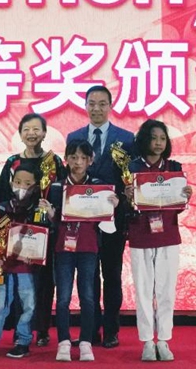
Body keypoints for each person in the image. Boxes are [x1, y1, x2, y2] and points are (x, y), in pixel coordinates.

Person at [66, 85, 135, 348]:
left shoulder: (126, 138)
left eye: (102, 103)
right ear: (85, 105)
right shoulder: (74, 136)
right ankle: (89, 330)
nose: (96, 108)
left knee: (112, 275)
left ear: (110, 105)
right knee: (87, 276)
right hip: (83, 220)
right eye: (91, 103)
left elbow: (131, 177)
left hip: (113, 218)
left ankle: (112, 330)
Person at [124, 120, 193, 362]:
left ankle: (163, 340)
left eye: (162, 139)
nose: (158, 143)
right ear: (144, 140)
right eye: (154, 138)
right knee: (143, 290)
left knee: (165, 289)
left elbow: (178, 207)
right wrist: (127, 197)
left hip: (168, 235)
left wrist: (184, 196)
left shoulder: (174, 167)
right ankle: (146, 341)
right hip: (140, 234)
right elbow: (124, 208)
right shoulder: (130, 168)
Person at [0, 113, 63, 347]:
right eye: (27, 129)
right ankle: (19, 329)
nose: (32, 133)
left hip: (44, 232)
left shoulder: (54, 162)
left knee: (43, 283)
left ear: (45, 133)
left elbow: (62, 192)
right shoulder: (12, 162)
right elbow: (1, 194)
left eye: (37, 129)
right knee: (17, 281)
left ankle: (42, 329)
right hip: (15, 232)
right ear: (20, 133)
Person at [47, 139, 118, 362]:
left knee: (88, 296)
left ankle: (86, 341)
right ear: (66, 159)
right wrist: (49, 213)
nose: (78, 162)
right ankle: (64, 342)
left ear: (90, 161)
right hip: (63, 249)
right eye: (73, 157)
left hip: (88, 247)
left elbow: (107, 222)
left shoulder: (99, 187)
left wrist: (113, 205)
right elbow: (52, 220)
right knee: (63, 298)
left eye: (83, 158)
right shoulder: (56, 187)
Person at [0, 165, 45, 359]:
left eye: (27, 183)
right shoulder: (2, 208)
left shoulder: (36, 210)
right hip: (5, 267)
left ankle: (23, 341)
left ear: (35, 186)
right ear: (10, 182)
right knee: (0, 305)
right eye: (17, 182)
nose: (21, 187)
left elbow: (41, 238)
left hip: (27, 268)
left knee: (28, 305)